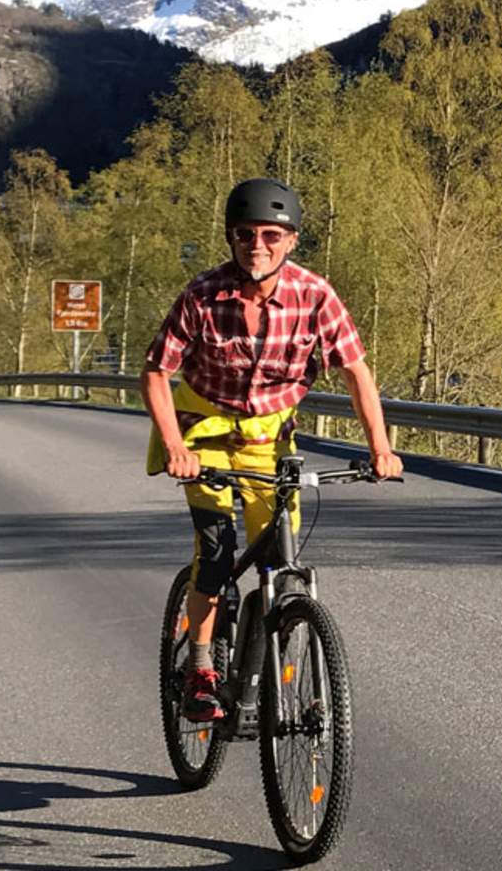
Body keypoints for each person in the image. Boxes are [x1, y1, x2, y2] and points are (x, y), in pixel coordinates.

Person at [141, 177, 402, 722]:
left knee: (280, 556)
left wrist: (381, 448)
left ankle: (266, 665)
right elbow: (156, 371)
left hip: (268, 440)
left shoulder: (315, 296)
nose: (256, 246)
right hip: (204, 436)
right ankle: (201, 669)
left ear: (291, 241)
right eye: (244, 235)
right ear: (230, 238)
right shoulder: (203, 295)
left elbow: (355, 371)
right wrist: (174, 446)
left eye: (270, 235)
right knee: (215, 554)